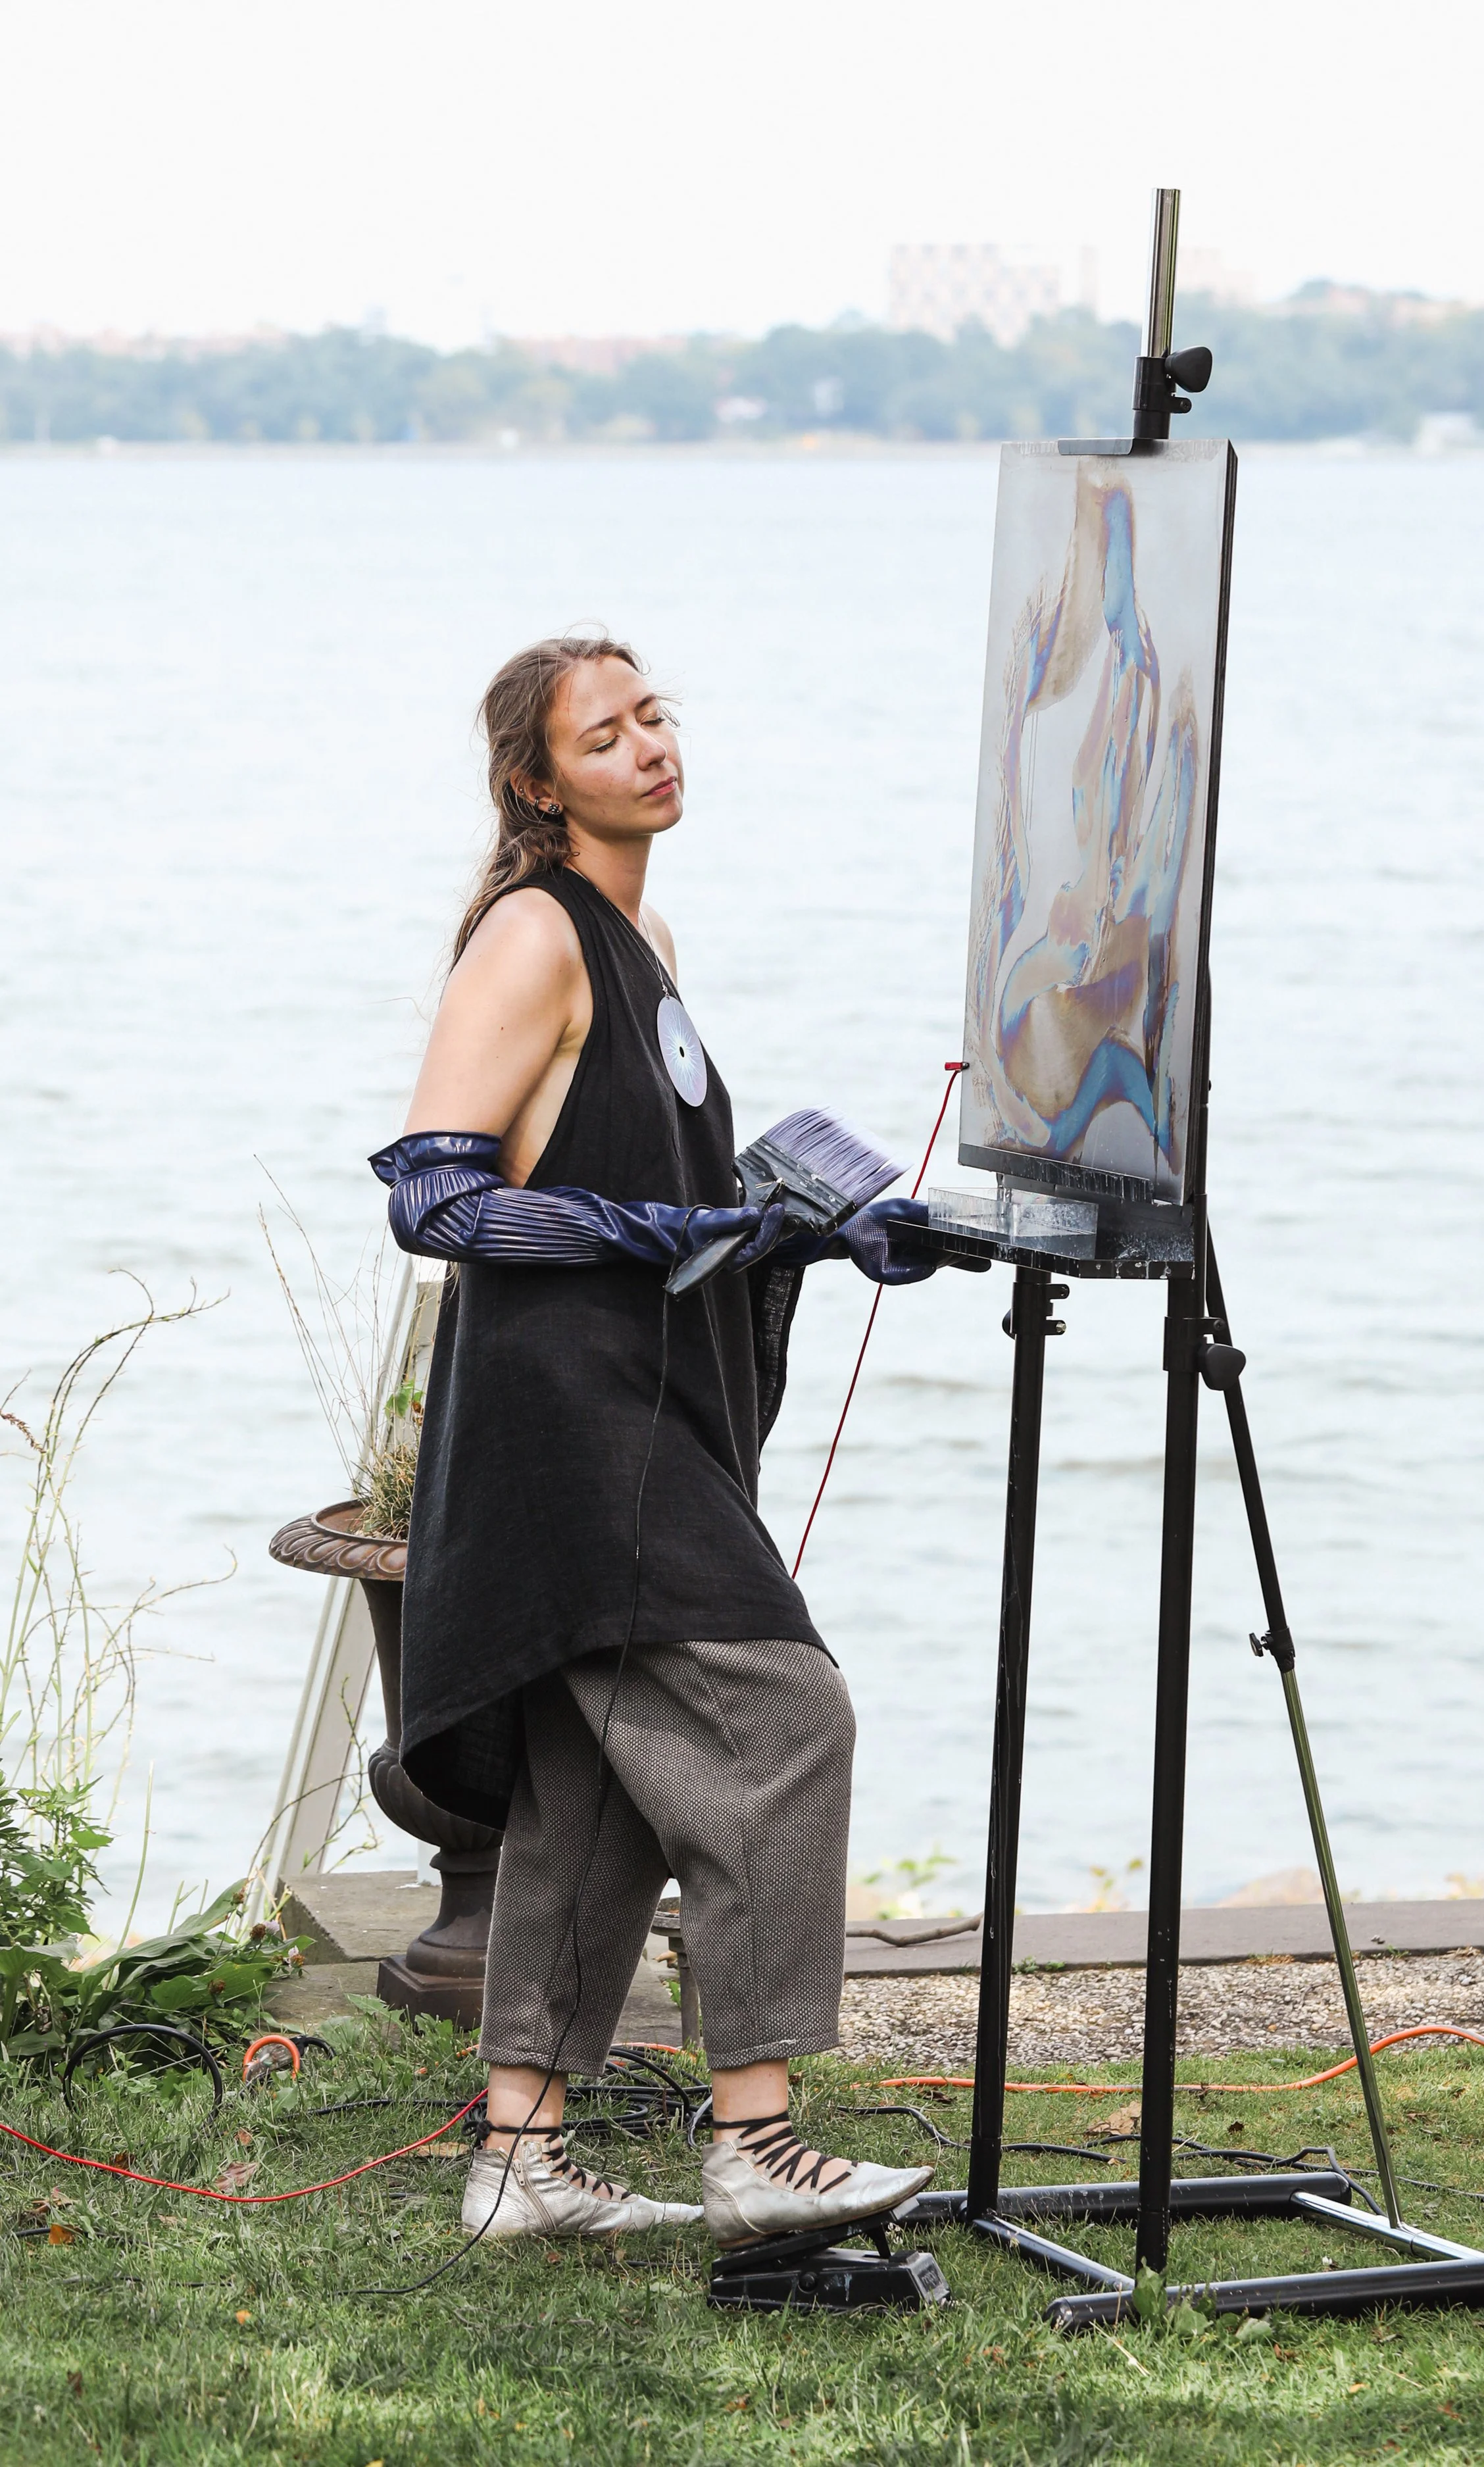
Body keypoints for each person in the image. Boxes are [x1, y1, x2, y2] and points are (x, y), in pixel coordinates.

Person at [370, 632, 949, 2249]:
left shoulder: (642, 933)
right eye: (604, 734)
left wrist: (821, 1231)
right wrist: (638, 1228)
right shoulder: (534, 938)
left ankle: (520, 2161)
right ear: (535, 782)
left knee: (594, 1790)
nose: (648, 748)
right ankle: (754, 2138)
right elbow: (434, 1190)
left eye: (655, 717)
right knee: (784, 1724)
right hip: (569, 1429)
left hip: (649, 1409)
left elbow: (662, 1204)